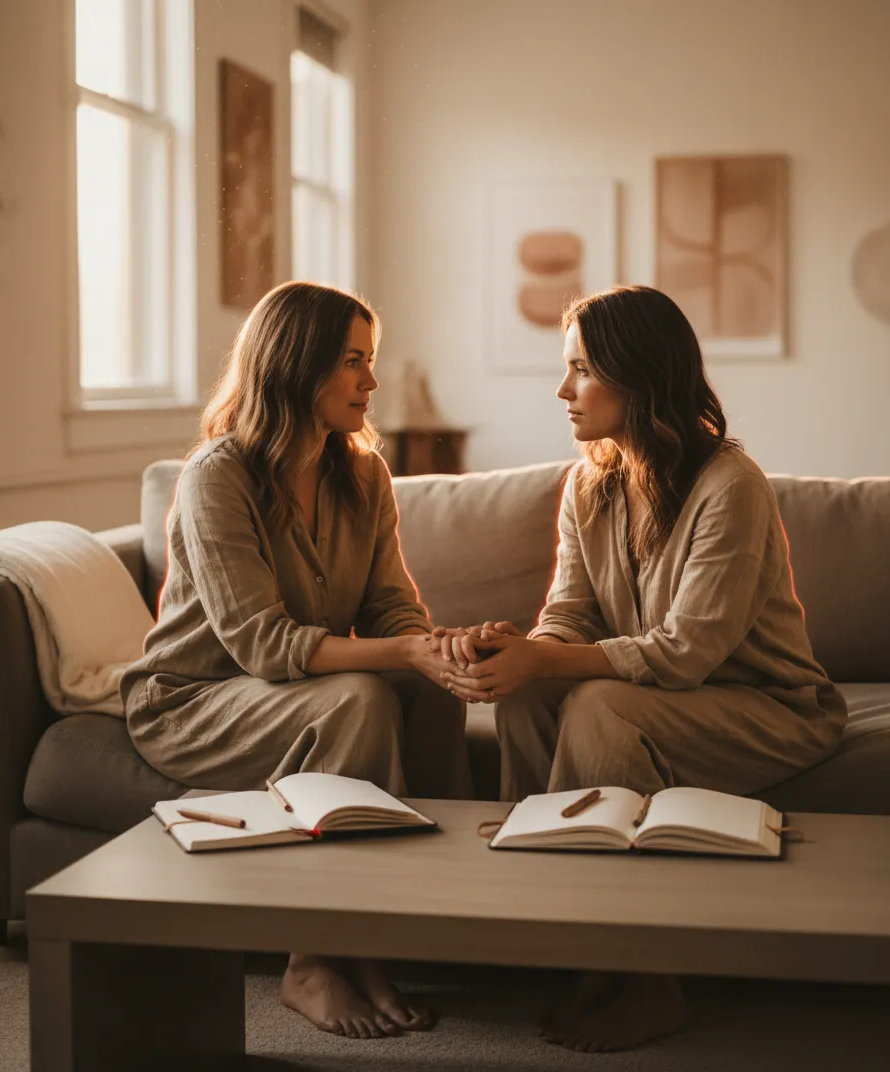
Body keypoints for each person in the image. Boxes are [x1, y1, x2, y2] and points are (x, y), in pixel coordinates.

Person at [433, 285, 846, 1054]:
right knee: (528, 694)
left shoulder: (732, 486)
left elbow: (686, 652)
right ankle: (560, 927)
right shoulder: (590, 483)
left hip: (766, 707)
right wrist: (519, 647)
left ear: (641, 375)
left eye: (583, 370)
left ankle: (650, 975)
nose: (563, 390)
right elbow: (569, 615)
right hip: (659, 696)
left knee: (597, 709)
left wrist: (551, 657)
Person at [121, 281, 472, 1041]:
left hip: (291, 692)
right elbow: (260, 645)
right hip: (195, 699)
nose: (370, 382)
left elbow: (390, 605)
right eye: (352, 362)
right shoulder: (219, 475)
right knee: (359, 701)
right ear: (296, 366)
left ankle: (390, 937)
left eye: (369, 361)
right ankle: (312, 959)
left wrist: (434, 648)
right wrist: (403, 652)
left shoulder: (365, 474)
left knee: (435, 693)